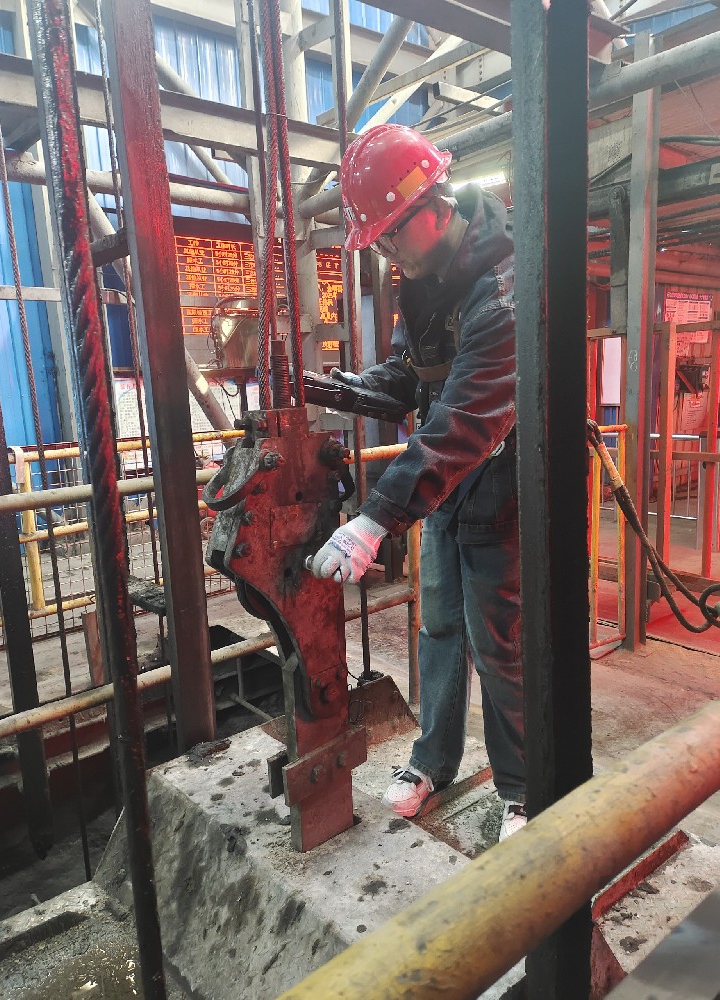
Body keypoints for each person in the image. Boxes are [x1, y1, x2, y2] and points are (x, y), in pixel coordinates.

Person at [309, 124, 526, 842]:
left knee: (501, 644)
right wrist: (342, 388)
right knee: (438, 630)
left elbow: (465, 416)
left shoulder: (507, 284)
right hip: (446, 489)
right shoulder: (424, 282)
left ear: (434, 206)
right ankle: (434, 760)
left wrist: (374, 519)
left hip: (507, 485)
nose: (386, 253)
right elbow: (418, 377)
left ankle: (525, 789)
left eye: (391, 235)